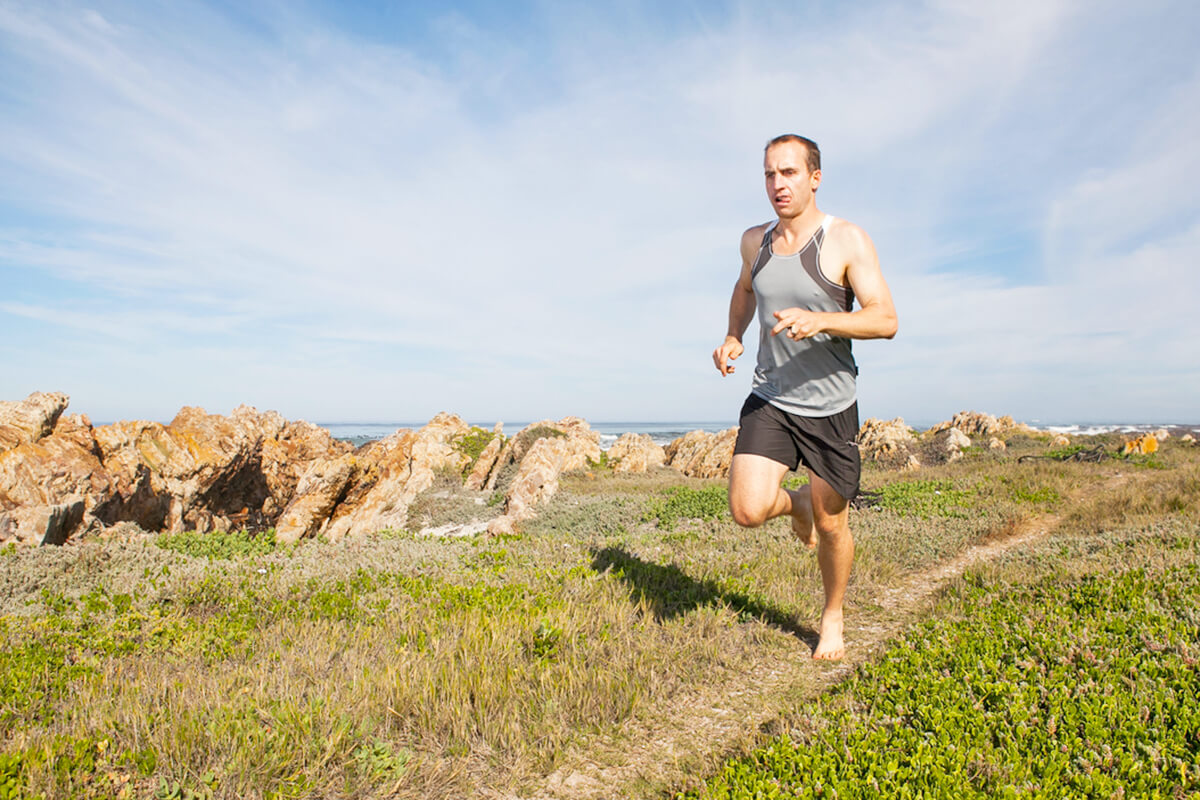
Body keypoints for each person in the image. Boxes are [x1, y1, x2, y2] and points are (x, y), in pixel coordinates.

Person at [712, 134, 897, 660]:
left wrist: (821, 321)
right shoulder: (756, 242)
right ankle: (797, 506)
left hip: (829, 408)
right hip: (771, 396)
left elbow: (885, 318)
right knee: (747, 510)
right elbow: (745, 290)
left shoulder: (845, 240)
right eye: (770, 174)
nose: (778, 185)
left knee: (833, 521)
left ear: (814, 177)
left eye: (789, 173)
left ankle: (832, 614)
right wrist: (733, 336)